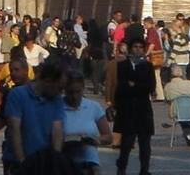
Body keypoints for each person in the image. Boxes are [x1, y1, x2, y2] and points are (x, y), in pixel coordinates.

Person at [2, 61, 64, 170]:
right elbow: (14, 128)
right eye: (58, 88)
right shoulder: (17, 94)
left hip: (43, 161)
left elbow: (57, 131)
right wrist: (21, 161)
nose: (60, 92)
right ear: (48, 82)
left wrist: (55, 159)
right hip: (17, 159)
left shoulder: (56, 99)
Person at [110, 37, 154, 175]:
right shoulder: (123, 65)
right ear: (130, 48)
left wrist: (134, 85)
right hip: (127, 109)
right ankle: (121, 168)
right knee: (126, 143)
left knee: (145, 144)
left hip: (143, 110)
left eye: (141, 47)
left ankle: (144, 170)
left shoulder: (148, 66)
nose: (138, 50)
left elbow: (150, 87)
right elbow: (122, 87)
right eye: (135, 47)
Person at [53, 70, 109, 175]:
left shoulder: (93, 107)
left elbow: (108, 136)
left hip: (90, 163)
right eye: (70, 92)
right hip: (66, 164)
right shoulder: (57, 107)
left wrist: (95, 140)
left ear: (83, 88)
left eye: (78, 92)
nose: (74, 96)